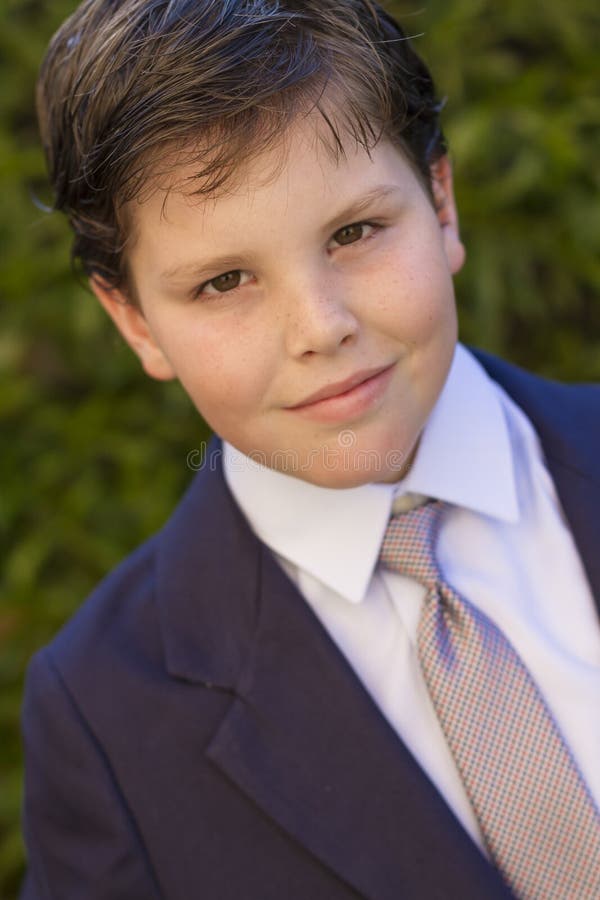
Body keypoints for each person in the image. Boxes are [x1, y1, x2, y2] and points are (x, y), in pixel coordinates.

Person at [21, 0, 600, 898]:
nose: (319, 328)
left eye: (355, 232)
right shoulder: (103, 716)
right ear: (134, 321)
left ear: (441, 202)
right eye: (223, 282)